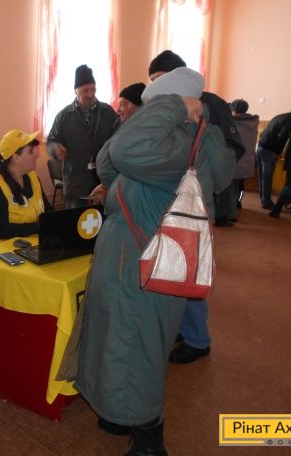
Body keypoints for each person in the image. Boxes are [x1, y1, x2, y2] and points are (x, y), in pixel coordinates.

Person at [75, 67, 234, 455]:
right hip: (135, 258)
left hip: (143, 264)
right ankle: (120, 411)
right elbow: (108, 164)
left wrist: (172, 107)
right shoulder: (171, 139)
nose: (140, 113)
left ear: (174, 105)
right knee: (120, 342)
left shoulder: (178, 141)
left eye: (152, 105)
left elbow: (122, 153)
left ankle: (148, 437)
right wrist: (140, 120)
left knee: (135, 347)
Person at [147, 50, 242, 364]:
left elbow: (225, 172)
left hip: (193, 211)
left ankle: (198, 340)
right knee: (172, 270)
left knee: (189, 274)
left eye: (161, 81)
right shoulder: (179, 118)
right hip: (172, 208)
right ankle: (182, 330)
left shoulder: (208, 118)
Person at [149, 50, 244, 226]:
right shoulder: (159, 107)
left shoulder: (213, 104)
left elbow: (231, 147)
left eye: (160, 79)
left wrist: (209, 179)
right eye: (152, 81)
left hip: (199, 193)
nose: (156, 86)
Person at [47, 65, 118, 208]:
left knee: (104, 219)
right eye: (86, 90)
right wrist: (55, 149)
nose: (90, 94)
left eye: (93, 89)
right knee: (75, 220)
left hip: (103, 183)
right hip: (75, 185)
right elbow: (51, 141)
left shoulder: (108, 112)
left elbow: (120, 138)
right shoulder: (63, 117)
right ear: (75, 91)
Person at [0, 129, 49, 239]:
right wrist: (39, 226)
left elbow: (48, 211)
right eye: (30, 151)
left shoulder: (33, 177)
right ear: (16, 157)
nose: (36, 155)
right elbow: (2, 231)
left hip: (31, 241)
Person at [89, 82, 146, 205]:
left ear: (139, 106)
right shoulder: (121, 125)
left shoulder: (146, 135)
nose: (118, 110)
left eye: (122, 105)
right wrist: (105, 186)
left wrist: (110, 189)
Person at [256, 104, 291, 209]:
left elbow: (264, 132)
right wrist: (278, 152)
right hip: (269, 150)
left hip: (260, 146)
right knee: (267, 178)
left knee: (262, 177)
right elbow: (282, 137)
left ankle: (263, 199)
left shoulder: (280, 116)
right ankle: (266, 202)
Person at [230, 99, 259, 210]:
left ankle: (230, 209)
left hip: (234, 159)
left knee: (229, 186)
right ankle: (237, 202)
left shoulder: (233, 122)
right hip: (247, 160)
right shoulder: (253, 122)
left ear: (234, 110)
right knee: (240, 184)